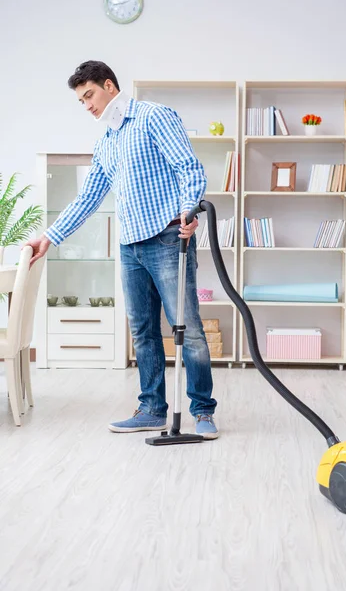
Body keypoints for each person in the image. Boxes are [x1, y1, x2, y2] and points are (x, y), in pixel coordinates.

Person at [26, 60, 218, 439]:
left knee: (189, 329)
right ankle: (151, 409)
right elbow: (87, 198)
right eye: (81, 101)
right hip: (130, 247)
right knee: (143, 331)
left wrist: (189, 209)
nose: (87, 106)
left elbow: (189, 168)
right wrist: (49, 237)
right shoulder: (107, 142)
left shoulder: (154, 117)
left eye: (89, 96)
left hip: (167, 238)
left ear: (109, 86)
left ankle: (203, 412)